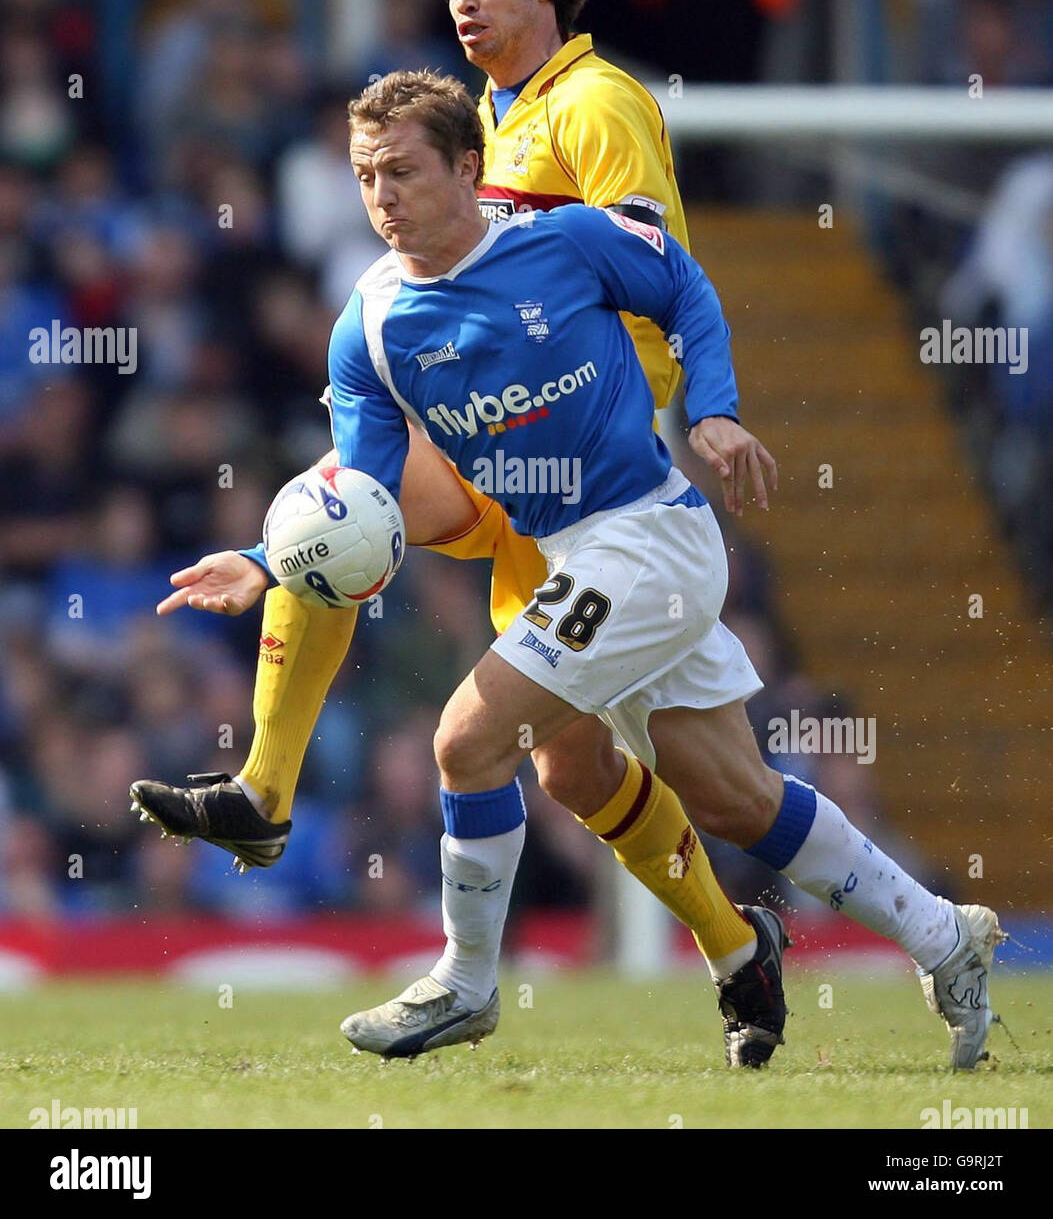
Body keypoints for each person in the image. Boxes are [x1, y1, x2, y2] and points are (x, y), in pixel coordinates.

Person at [145, 72, 1004, 1072]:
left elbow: (680, 282)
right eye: (365, 175)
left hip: (650, 537)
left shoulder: (559, 241)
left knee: (468, 740)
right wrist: (265, 560)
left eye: (404, 171)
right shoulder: (368, 327)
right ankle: (951, 938)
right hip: (577, 555)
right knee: (734, 797)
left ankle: (466, 983)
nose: (381, 195)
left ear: (469, 168)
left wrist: (716, 406)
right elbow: (365, 500)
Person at [132, 0, 796, 1069]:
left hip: (590, 458)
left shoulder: (597, 105)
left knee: (593, 762)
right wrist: (261, 558)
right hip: (506, 454)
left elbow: (652, 275)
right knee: (345, 526)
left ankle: (676, 951)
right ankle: (268, 793)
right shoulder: (487, 115)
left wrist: (691, 410)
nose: (465, 2)